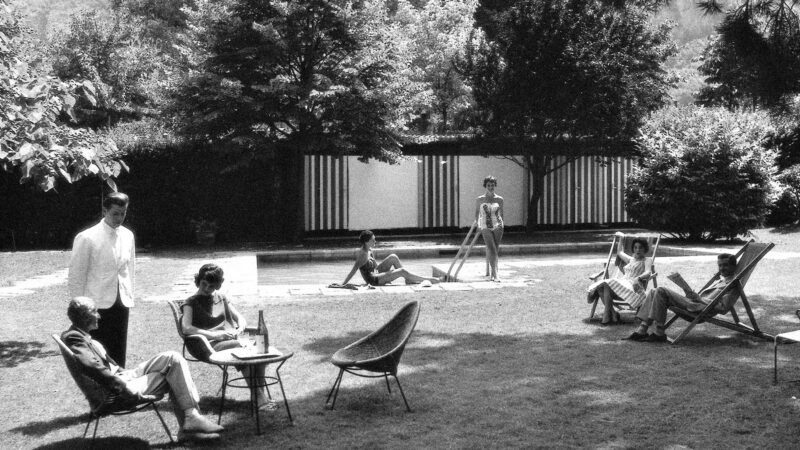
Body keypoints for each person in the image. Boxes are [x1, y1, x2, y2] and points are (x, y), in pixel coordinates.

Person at [62, 297, 223, 442]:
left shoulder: (77, 334)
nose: (98, 316)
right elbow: (90, 365)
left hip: (123, 376)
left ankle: (191, 417)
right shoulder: (74, 337)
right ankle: (190, 421)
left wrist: (122, 375)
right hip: (115, 391)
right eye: (94, 312)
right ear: (84, 317)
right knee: (173, 374)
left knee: (172, 357)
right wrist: (120, 386)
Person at [181, 264, 275, 410]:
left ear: (218, 285)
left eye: (211, 286)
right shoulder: (190, 302)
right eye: (204, 284)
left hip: (229, 339)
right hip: (207, 343)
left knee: (260, 343)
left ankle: (258, 394)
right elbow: (186, 328)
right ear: (198, 281)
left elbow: (240, 318)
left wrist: (240, 328)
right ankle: (259, 398)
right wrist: (215, 334)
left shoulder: (221, 298)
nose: (206, 289)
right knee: (239, 348)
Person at [69, 192, 135, 367]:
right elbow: (76, 275)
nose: (119, 218)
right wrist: (79, 309)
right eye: (115, 213)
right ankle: (101, 383)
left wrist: (129, 295)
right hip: (96, 304)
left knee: (119, 350)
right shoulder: (87, 237)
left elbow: (130, 269)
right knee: (98, 352)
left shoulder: (128, 235)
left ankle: (120, 381)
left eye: (123, 213)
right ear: (104, 211)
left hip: (121, 301)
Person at [627, 253, 739, 343]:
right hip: (694, 303)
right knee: (653, 291)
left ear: (734, 266)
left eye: (725, 265)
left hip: (699, 309)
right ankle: (642, 329)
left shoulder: (734, 284)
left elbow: (723, 308)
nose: (722, 268)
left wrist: (699, 299)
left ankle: (659, 332)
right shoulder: (721, 280)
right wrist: (691, 294)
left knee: (660, 290)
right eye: (720, 265)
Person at [586, 234, 655, 325]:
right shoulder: (630, 259)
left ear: (645, 249)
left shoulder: (647, 260)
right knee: (601, 287)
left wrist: (638, 278)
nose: (638, 250)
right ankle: (613, 315)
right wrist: (621, 238)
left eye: (640, 247)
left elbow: (648, 272)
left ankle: (607, 318)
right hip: (623, 284)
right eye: (635, 247)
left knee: (606, 284)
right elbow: (619, 252)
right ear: (633, 249)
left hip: (633, 287)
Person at [341, 230, 441, 286]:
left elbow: (375, 267)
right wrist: (343, 284)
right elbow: (353, 271)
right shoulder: (362, 255)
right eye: (373, 240)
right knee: (402, 271)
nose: (375, 242)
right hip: (373, 280)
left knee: (393, 257)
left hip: (376, 274)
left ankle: (408, 279)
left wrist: (387, 274)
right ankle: (429, 279)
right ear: (367, 242)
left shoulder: (369, 250)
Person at [475, 176, 504, 281]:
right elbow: (477, 214)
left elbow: (501, 214)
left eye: (492, 185)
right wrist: (478, 225)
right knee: (491, 248)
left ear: (494, 186)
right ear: (485, 186)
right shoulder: (480, 199)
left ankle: (493, 273)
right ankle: (496, 274)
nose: (491, 187)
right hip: (485, 225)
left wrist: (501, 225)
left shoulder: (499, 199)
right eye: (488, 185)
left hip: (497, 224)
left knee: (495, 248)